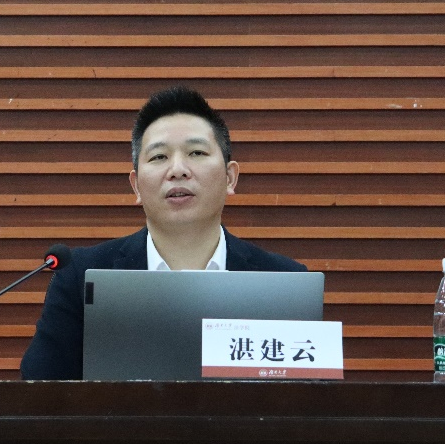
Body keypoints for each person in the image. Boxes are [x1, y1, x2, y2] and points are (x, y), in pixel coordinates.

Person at [20, 85, 306, 379]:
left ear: (230, 178)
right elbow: (40, 391)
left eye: (196, 152)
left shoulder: (286, 283)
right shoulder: (80, 276)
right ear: (136, 186)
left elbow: (305, 399)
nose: (178, 170)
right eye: (159, 157)